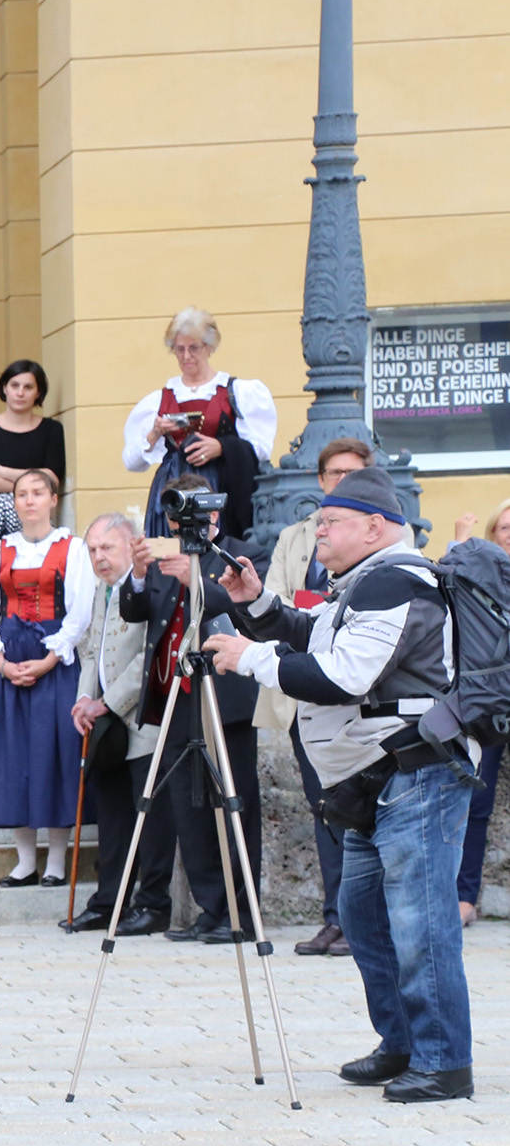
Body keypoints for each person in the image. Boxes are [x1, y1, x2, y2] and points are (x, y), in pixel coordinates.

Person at [205, 464, 473, 1103]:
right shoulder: (360, 583)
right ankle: (403, 1044)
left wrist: (252, 658)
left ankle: (444, 1063)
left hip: (416, 774)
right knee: (363, 914)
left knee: (420, 921)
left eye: (330, 522)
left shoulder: (397, 582)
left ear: (375, 526)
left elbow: (345, 676)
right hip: (374, 780)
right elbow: (314, 635)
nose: (317, 532)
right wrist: (258, 606)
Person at [121, 480, 270, 945]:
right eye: (176, 519)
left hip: (226, 698)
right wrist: (140, 573)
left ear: (216, 516)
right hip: (176, 693)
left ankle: (240, 915)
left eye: (195, 516)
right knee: (189, 807)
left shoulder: (242, 554)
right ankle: (210, 909)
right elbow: (136, 610)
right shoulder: (167, 555)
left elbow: (248, 610)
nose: (185, 527)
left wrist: (197, 579)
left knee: (234, 803)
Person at [266, 439, 376, 954]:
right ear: (320, 479)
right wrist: (306, 614)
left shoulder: (382, 537)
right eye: (334, 473)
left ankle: (363, 920)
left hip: (360, 697)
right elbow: (272, 599)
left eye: (352, 473)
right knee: (323, 805)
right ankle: (335, 917)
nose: (341, 480)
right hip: (305, 689)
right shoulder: (295, 536)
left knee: (363, 809)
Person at [0, 469, 93, 883]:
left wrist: (50, 659)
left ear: (53, 499)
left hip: (54, 662)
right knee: (14, 757)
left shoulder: (73, 548)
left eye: (38, 493)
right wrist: (0, 661)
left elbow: (80, 611)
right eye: (22, 494)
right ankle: (25, 860)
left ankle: (56, 861)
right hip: (8, 665)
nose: (29, 500)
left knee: (55, 755)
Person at [67, 512, 167, 933]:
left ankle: (153, 903)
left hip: (142, 719)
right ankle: (109, 900)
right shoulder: (102, 590)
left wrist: (107, 701)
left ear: (131, 545)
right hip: (105, 724)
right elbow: (91, 648)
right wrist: (84, 700)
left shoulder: (150, 586)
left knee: (152, 817)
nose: (98, 557)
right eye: (92, 550)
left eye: (106, 547)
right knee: (111, 817)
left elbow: (151, 652)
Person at [124, 307, 278, 544]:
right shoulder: (157, 401)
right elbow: (132, 462)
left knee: (214, 549)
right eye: (180, 349)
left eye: (194, 348)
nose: (186, 356)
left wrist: (222, 447)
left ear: (210, 347)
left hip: (218, 484)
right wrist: (155, 433)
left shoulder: (237, 392)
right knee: (170, 549)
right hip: (171, 484)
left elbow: (261, 448)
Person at [452, 499, 510, 927]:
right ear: (492, 537)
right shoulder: (478, 576)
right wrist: (460, 547)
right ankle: (464, 898)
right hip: (490, 701)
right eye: (505, 528)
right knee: (476, 799)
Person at [0, 360, 69, 586]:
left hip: (35, 518)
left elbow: (51, 479)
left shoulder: (51, 430)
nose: (20, 393)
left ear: (38, 392)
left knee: (32, 584)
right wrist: (33, 480)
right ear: (4, 388)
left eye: (28, 387)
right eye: (14, 385)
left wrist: (1, 470)